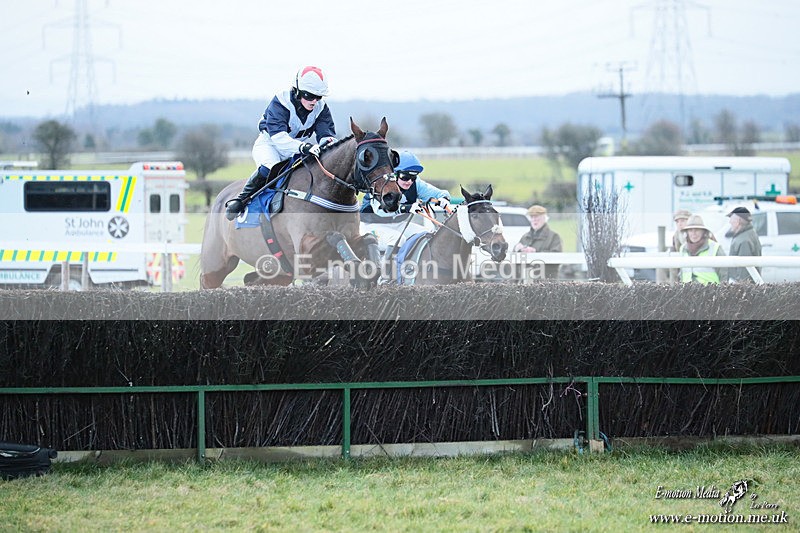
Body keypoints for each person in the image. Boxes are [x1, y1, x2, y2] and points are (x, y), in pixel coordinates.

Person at [225, 66, 338, 220]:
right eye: (310, 96)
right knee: (271, 169)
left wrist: (327, 144)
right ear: (297, 91)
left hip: (296, 149)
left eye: (318, 97)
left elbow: (327, 134)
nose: (314, 101)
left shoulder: (321, 108)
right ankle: (241, 200)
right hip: (270, 145)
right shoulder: (281, 102)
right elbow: (278, 137)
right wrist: (303, 147)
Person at [360, 151, 451, 216]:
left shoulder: (416, 184)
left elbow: (439, 194)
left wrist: (444, 199)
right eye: (405, 177)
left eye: (413, 177)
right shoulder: (381, 184)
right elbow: (380, 212)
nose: (409, 182)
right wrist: (405, 208)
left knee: (427, 234)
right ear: (395, 174)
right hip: (373, 224)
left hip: (399, 225)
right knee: (396, 238)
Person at [514, 205, 563, 279]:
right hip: (526, 281)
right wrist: (516, 249)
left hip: (547, 282)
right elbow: (515, 260)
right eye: (532, 217)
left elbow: (557, 258)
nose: (534, 219)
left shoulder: (554, 237)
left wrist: (536, 252)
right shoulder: (525, 237)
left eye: (537, 217)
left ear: (544, 218)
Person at [679, 215, 727, 284]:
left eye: (697, 230)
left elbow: (725, 274)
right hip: (687, 293)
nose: (693, 233)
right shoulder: (683, 249)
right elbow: (682, 274)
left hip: (711, 292)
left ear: (703, 232)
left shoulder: (715, 248)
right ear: (687, 233)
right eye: (690, 230)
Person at [725, 206, 762, 282]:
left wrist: (740, 289)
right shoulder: (747, 235)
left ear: (738, 221)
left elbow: (744, 271)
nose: (730, 222)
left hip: (742, 287)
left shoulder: (744, 240)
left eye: (731, 219)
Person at [668, 209, 691, 284]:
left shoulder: (700, 234)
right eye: (677, 222)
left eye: (683, 221)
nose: (679, 224)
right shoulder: (676, 236)